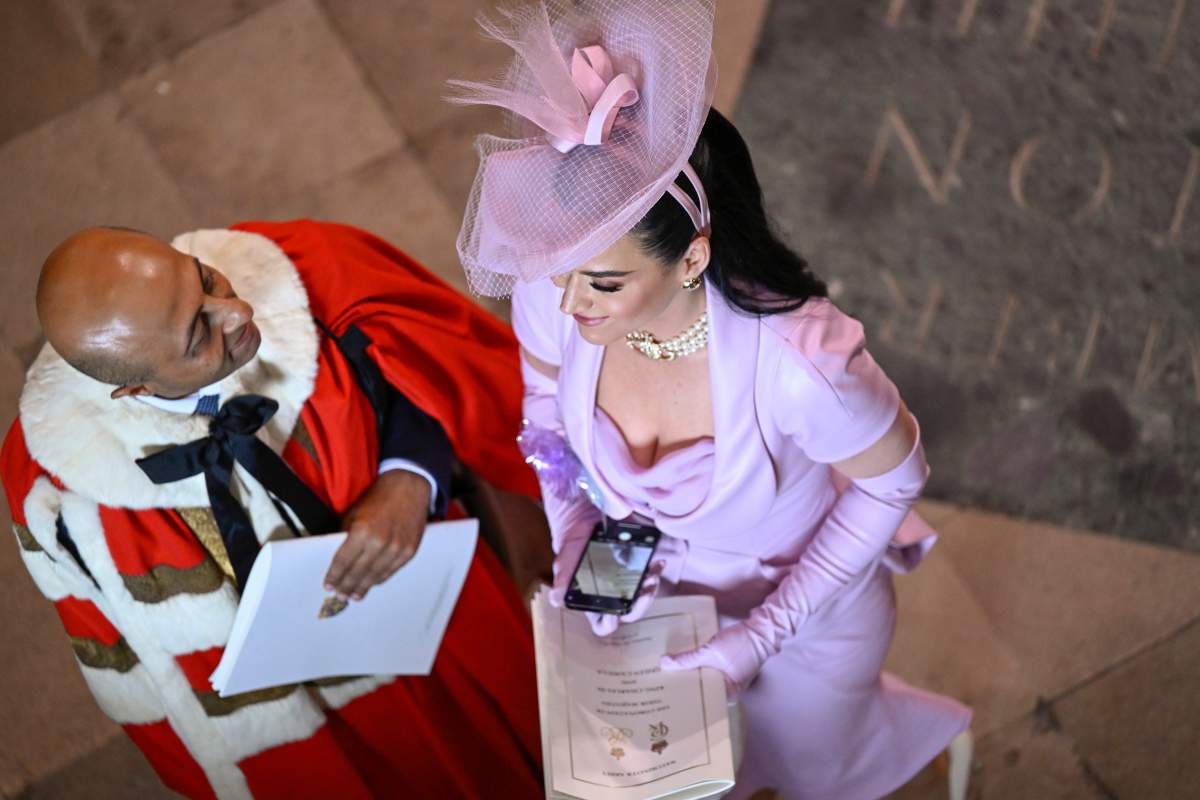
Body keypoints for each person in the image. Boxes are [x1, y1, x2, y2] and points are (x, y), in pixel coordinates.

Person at [448, 1, 973, 798]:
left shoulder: (802, 366)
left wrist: (762, 636)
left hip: (807, 625)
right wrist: (576, 537)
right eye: (561, 274)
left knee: (813, 777)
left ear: (692, 257)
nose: (567, 305)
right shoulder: (554, 292)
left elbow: (892, 481)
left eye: (604, 281)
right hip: (653, 612)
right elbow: (548, 418)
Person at [2, 221, 543, 798]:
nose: (235, 312)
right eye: (198, 335)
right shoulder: (66, 499)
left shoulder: (312, 272)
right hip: (327, 712)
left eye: (206, 279)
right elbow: (147, 682)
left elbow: (437, 374)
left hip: (436, 598)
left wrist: (410, 477)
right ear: (135, 390)